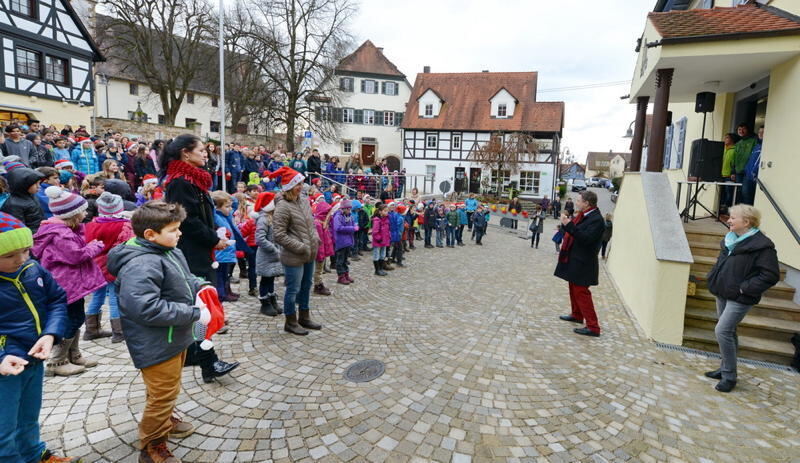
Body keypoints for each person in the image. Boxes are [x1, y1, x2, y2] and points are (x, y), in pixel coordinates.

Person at [107, 201, 212, 462]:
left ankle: (166, 418)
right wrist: (194, 314)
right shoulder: (141, 264)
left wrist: (202, 285)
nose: (179, 234)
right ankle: (153, 445)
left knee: (165, 390)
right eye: (173, 229)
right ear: (150, 235)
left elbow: (185, 279)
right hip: (156, 342)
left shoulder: (169, 251)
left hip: (174, 336)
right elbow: (146, 308)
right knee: (163, 393)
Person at [0, 212, 81, 463]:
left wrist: (50, 334)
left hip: (34, 358)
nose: (21, 259)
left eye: (25, 250)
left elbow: (56, 299)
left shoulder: (32, 268)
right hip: (5, 366)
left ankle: (35, 454)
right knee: (4, 427)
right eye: (9, 255)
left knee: (28, 415)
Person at [160, 135, 238, 380]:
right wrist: (214, 240)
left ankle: (203, 358)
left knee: (201, 306)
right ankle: (205, 360)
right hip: (192, 254)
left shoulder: (193, 179)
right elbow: (189, 221)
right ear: (186, 153)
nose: (206, 154)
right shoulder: (181, 182)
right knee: (200, 307)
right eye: (202, 150)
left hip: (200, 250)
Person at [704, 205, 779, 393]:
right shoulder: (730, 240)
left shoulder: (762, 246)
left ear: (746, 222)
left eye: (733, 218)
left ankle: (729, 376)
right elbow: (721, 262)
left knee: (722, 330)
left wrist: (744, 288)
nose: (729, 220)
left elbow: (770, 275)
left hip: (740, 296)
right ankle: (724, 368)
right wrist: (713, 276)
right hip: (723, 291)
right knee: (729, 331)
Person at [33, 186, 105, 375]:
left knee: (76, 317)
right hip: (65, 284)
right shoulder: (61, 234)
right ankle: (56, 362)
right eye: (82, 211)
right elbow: (75, 256)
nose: (86, 213)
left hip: (72, 284)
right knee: (71, 319)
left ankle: (73, 354)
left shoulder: (67, 229)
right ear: (72, 214)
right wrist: (95, 246)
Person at [271, 166, 322, 335]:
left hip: (309, 252)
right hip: (294, 256)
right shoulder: (283, 206)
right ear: (288, 186)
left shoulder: (304, 201)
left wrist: (315, 238)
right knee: (293, 289)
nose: (301, 187)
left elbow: (311, 223)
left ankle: (304, 317)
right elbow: (279, 235)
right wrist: (300, 246)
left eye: (301, 183)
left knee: (306, 286)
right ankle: (290, 321)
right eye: (297, 184)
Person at [83, 192, 134, 343]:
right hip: (114, 266)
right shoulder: (124, 225)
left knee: (97, 296)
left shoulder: (92, 224)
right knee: (114, 298)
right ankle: (118, 332)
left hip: (96, 266)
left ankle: (91, 329)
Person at [555, 190, 605, 337]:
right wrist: (565, 225)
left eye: (579, 200)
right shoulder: (583, 216)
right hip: (575, 259)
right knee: (573, 287)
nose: (577, 203)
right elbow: (573, 233)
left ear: (586, 203)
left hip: (584, 262)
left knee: (582, 292)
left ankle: (593, 327)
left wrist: (569, 225)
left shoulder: (596, 219)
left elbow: (585, 239)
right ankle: (577, 315)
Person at [254, 192, 283, 317]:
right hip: (267, 255)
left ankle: (272, 299)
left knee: (271, 278)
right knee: (265, 279)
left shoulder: (272, 218)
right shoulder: (263, 219)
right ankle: (264, 303)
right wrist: (273, 248)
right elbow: (260, 239)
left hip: (274, 255)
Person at [1, 167, 45, 233]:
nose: (39, 186)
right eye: (36, 184)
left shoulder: (31, 195)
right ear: (24, 185)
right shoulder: (13, 205)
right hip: (32, 237)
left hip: (40, 232)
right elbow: (18, 229)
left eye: (39, 183)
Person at [332, 199, 357, 284]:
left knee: (345, 260)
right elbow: (338, 228)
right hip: (341, 242)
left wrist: (355, 226)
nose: (349, 210)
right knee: (340, 260)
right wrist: (352, 228)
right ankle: (341, 276)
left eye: (350, 209)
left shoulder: (349, 216)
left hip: (348, 241)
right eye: (348, 209)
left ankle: (346, 274)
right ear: (343, 208)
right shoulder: (338, 216)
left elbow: (353, 224)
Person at [732, 123, 757, 204]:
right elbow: (734, 158)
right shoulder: (738, 144)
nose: (741, 131)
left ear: (748, 130)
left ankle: (748, 214)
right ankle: (741, 213)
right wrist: (733, 171)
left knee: (746, 192)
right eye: (739, 129)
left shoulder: (754, 140)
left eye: (743, 129)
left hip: (748, 171)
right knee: (738, 193)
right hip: (738, 172)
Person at [742, 126, 763, 206]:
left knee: (753, 199)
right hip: (748, 176)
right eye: (759, 132)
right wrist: (746, 170)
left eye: (763, 132)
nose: (760, 134)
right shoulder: (756, 146)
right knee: (745, 197)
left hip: (757, 177)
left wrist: (755, 172)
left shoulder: (766, 146)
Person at [720, 132, 737, 212]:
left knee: (729, 193)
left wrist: (733, 173)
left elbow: (735, 162)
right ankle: (721, 209)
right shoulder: (722, 149)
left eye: (727, 137)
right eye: (725, 137)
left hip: (729, 175)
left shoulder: (735, 149)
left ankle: (728, 209)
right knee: (721, 193)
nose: (725, 139)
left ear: (732, 139)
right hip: (721, 175)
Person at [371, 202, 390, 275]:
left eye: (387, 211)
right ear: (380, 212)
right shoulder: (377, 220)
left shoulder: (386, 219)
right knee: (376, 255)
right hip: (378, 241)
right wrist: (379, 239)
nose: (386, 212)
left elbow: (388, 230)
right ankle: (377, 270)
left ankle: (381, 268)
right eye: (385, 211)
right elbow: (375, 232)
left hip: (385, 241)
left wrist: (389, 236)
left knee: (382, 255)